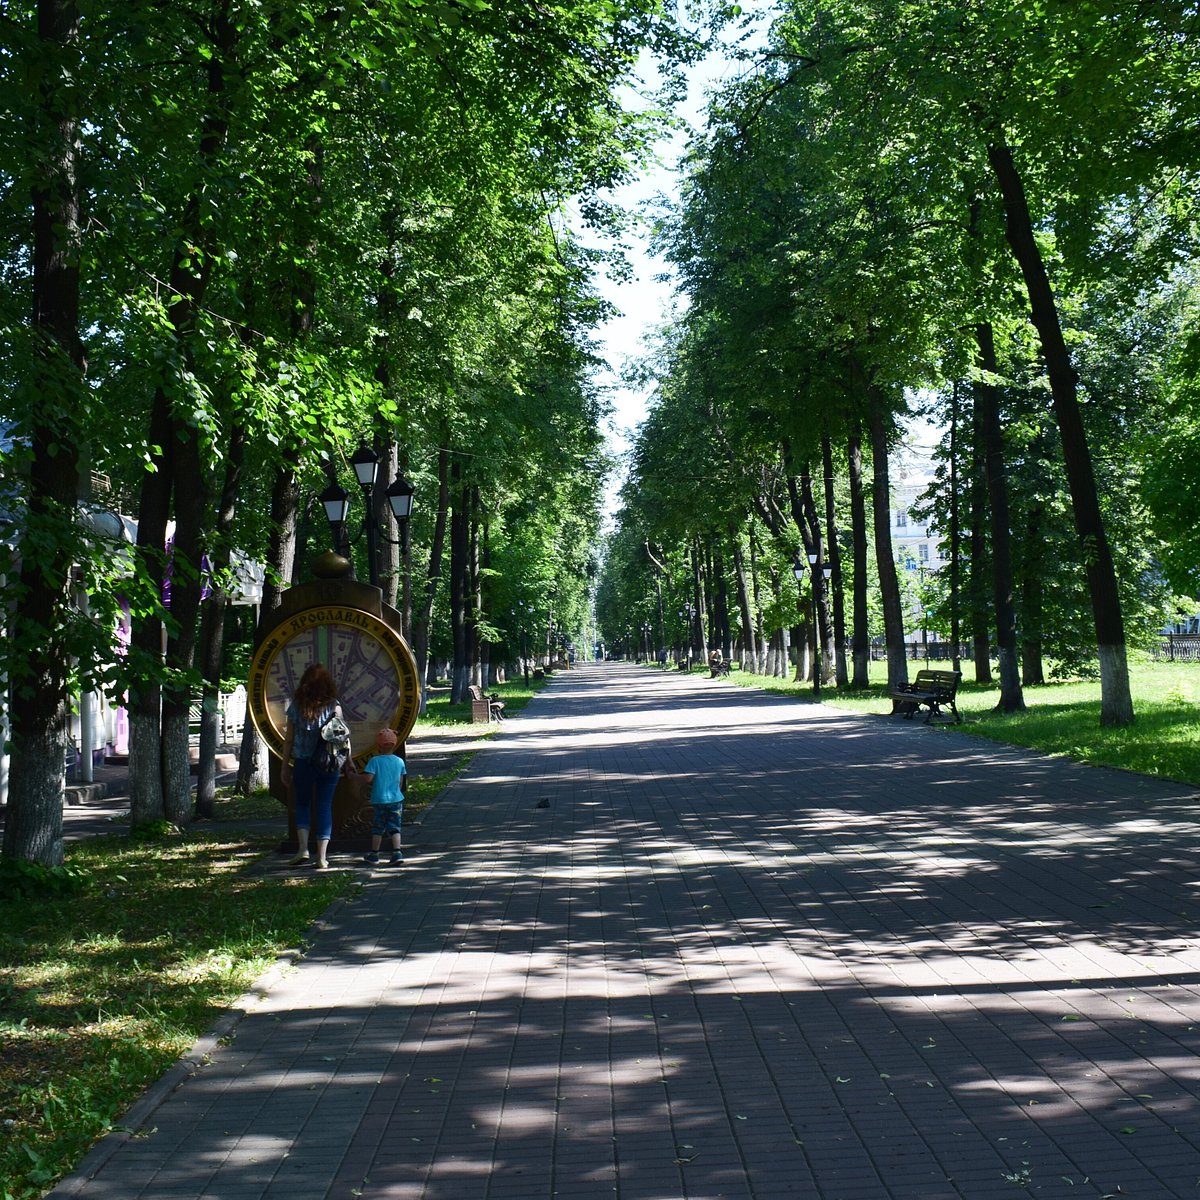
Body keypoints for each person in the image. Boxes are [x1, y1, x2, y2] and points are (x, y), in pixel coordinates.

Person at [280, 663, 345, 869]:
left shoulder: (296, 707)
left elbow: (289, 740)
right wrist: (348, 762)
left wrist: (284, 767)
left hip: (302, 763)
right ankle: (322, 857)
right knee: (324, 806)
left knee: (302, 804)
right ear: (327, 685)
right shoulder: (335, 707)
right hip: (329, 764)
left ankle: (303, 849)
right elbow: (342, 738)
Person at [360, 728, 406, 867]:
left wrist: (355, 777)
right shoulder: (399, 761)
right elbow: (400, 782)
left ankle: (374, 854)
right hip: (396, 800)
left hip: (380, 800)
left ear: (379, 746)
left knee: (378, 828)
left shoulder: (375, 761)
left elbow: (368, 779)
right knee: (395, 827)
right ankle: (397, 852)